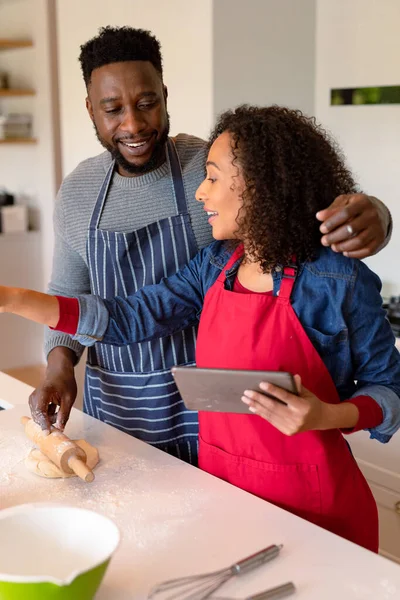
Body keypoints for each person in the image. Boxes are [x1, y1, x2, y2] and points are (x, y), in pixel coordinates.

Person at [1, 105, 399, 552]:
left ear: (261, 185)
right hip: (225, 495)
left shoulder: (337, 281)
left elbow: (390, 390)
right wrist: (10, 298)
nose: (200, 193)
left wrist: (329, 415)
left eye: (212, 177)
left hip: (315, 512)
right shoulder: (215, 266)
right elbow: (129, 317)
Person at [30, 26, 392, 466]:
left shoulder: (214, 164)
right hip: (121, 406)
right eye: (113, 109)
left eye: (147, 103)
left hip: (221, 414)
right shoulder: (79, 192)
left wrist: (376, 214)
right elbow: (81, 299)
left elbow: (299, 210)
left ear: (164, 93)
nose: (134, 123)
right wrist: (58, 367)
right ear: (91, 109)